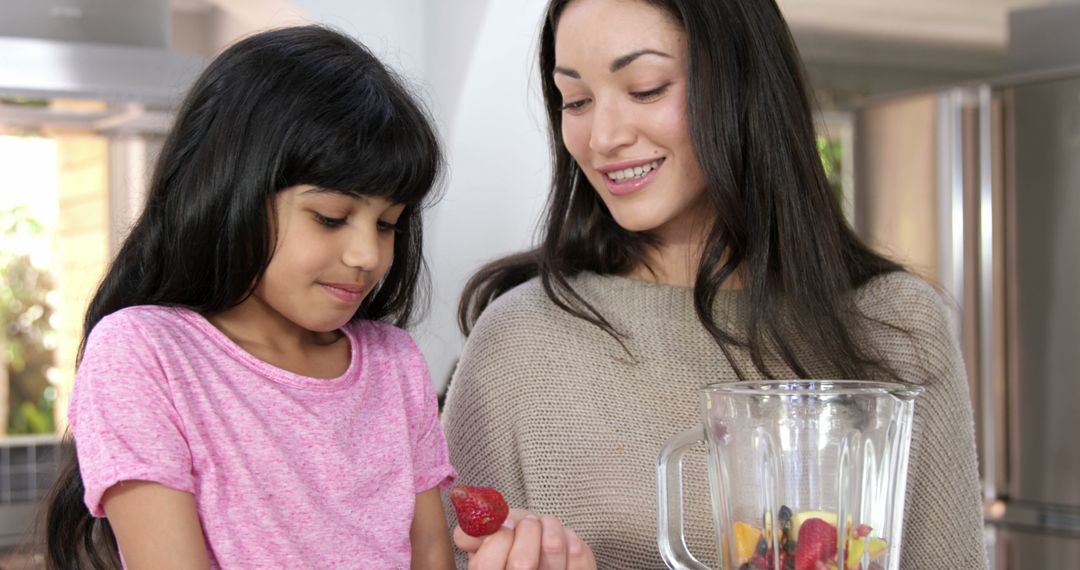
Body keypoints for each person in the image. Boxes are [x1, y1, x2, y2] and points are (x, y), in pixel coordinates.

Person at [441, 0, 987, 568]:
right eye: (575, 100)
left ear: (741, 85)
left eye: (646, 88)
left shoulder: (894, 325)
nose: (601, 137)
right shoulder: (518, 341)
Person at [42, 26, 456, 569]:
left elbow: (431, 552)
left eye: (388, 225)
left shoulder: (394, 361)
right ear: (232, 190)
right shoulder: (143, 354)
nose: (368, 256)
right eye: (331, 217)